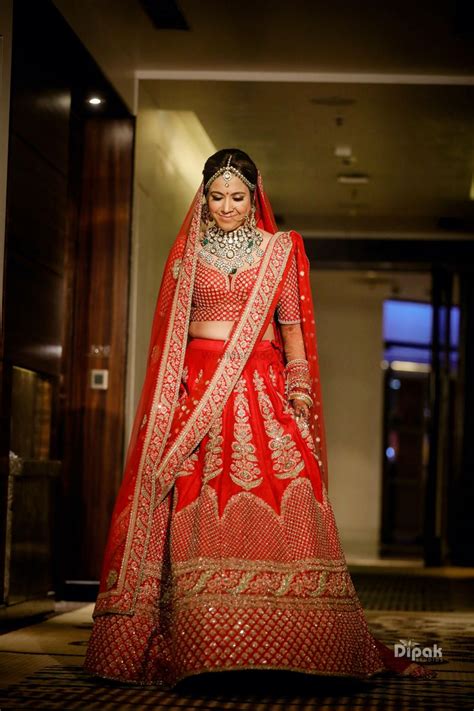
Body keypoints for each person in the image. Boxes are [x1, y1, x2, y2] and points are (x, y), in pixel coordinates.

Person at [84, 148, 436, 687]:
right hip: (198, 395)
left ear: (256, 196)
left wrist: (298, 391)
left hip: (263, 390)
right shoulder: (187, 253)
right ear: (203, 196)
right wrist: (170, 405)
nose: (226, 207)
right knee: (197, 506)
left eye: (237, 197)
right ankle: (210, 641)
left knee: (291, 492)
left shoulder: (280, 251)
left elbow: (291, 328)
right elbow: (172, 339)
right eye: (217, 196)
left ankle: (297, 638)